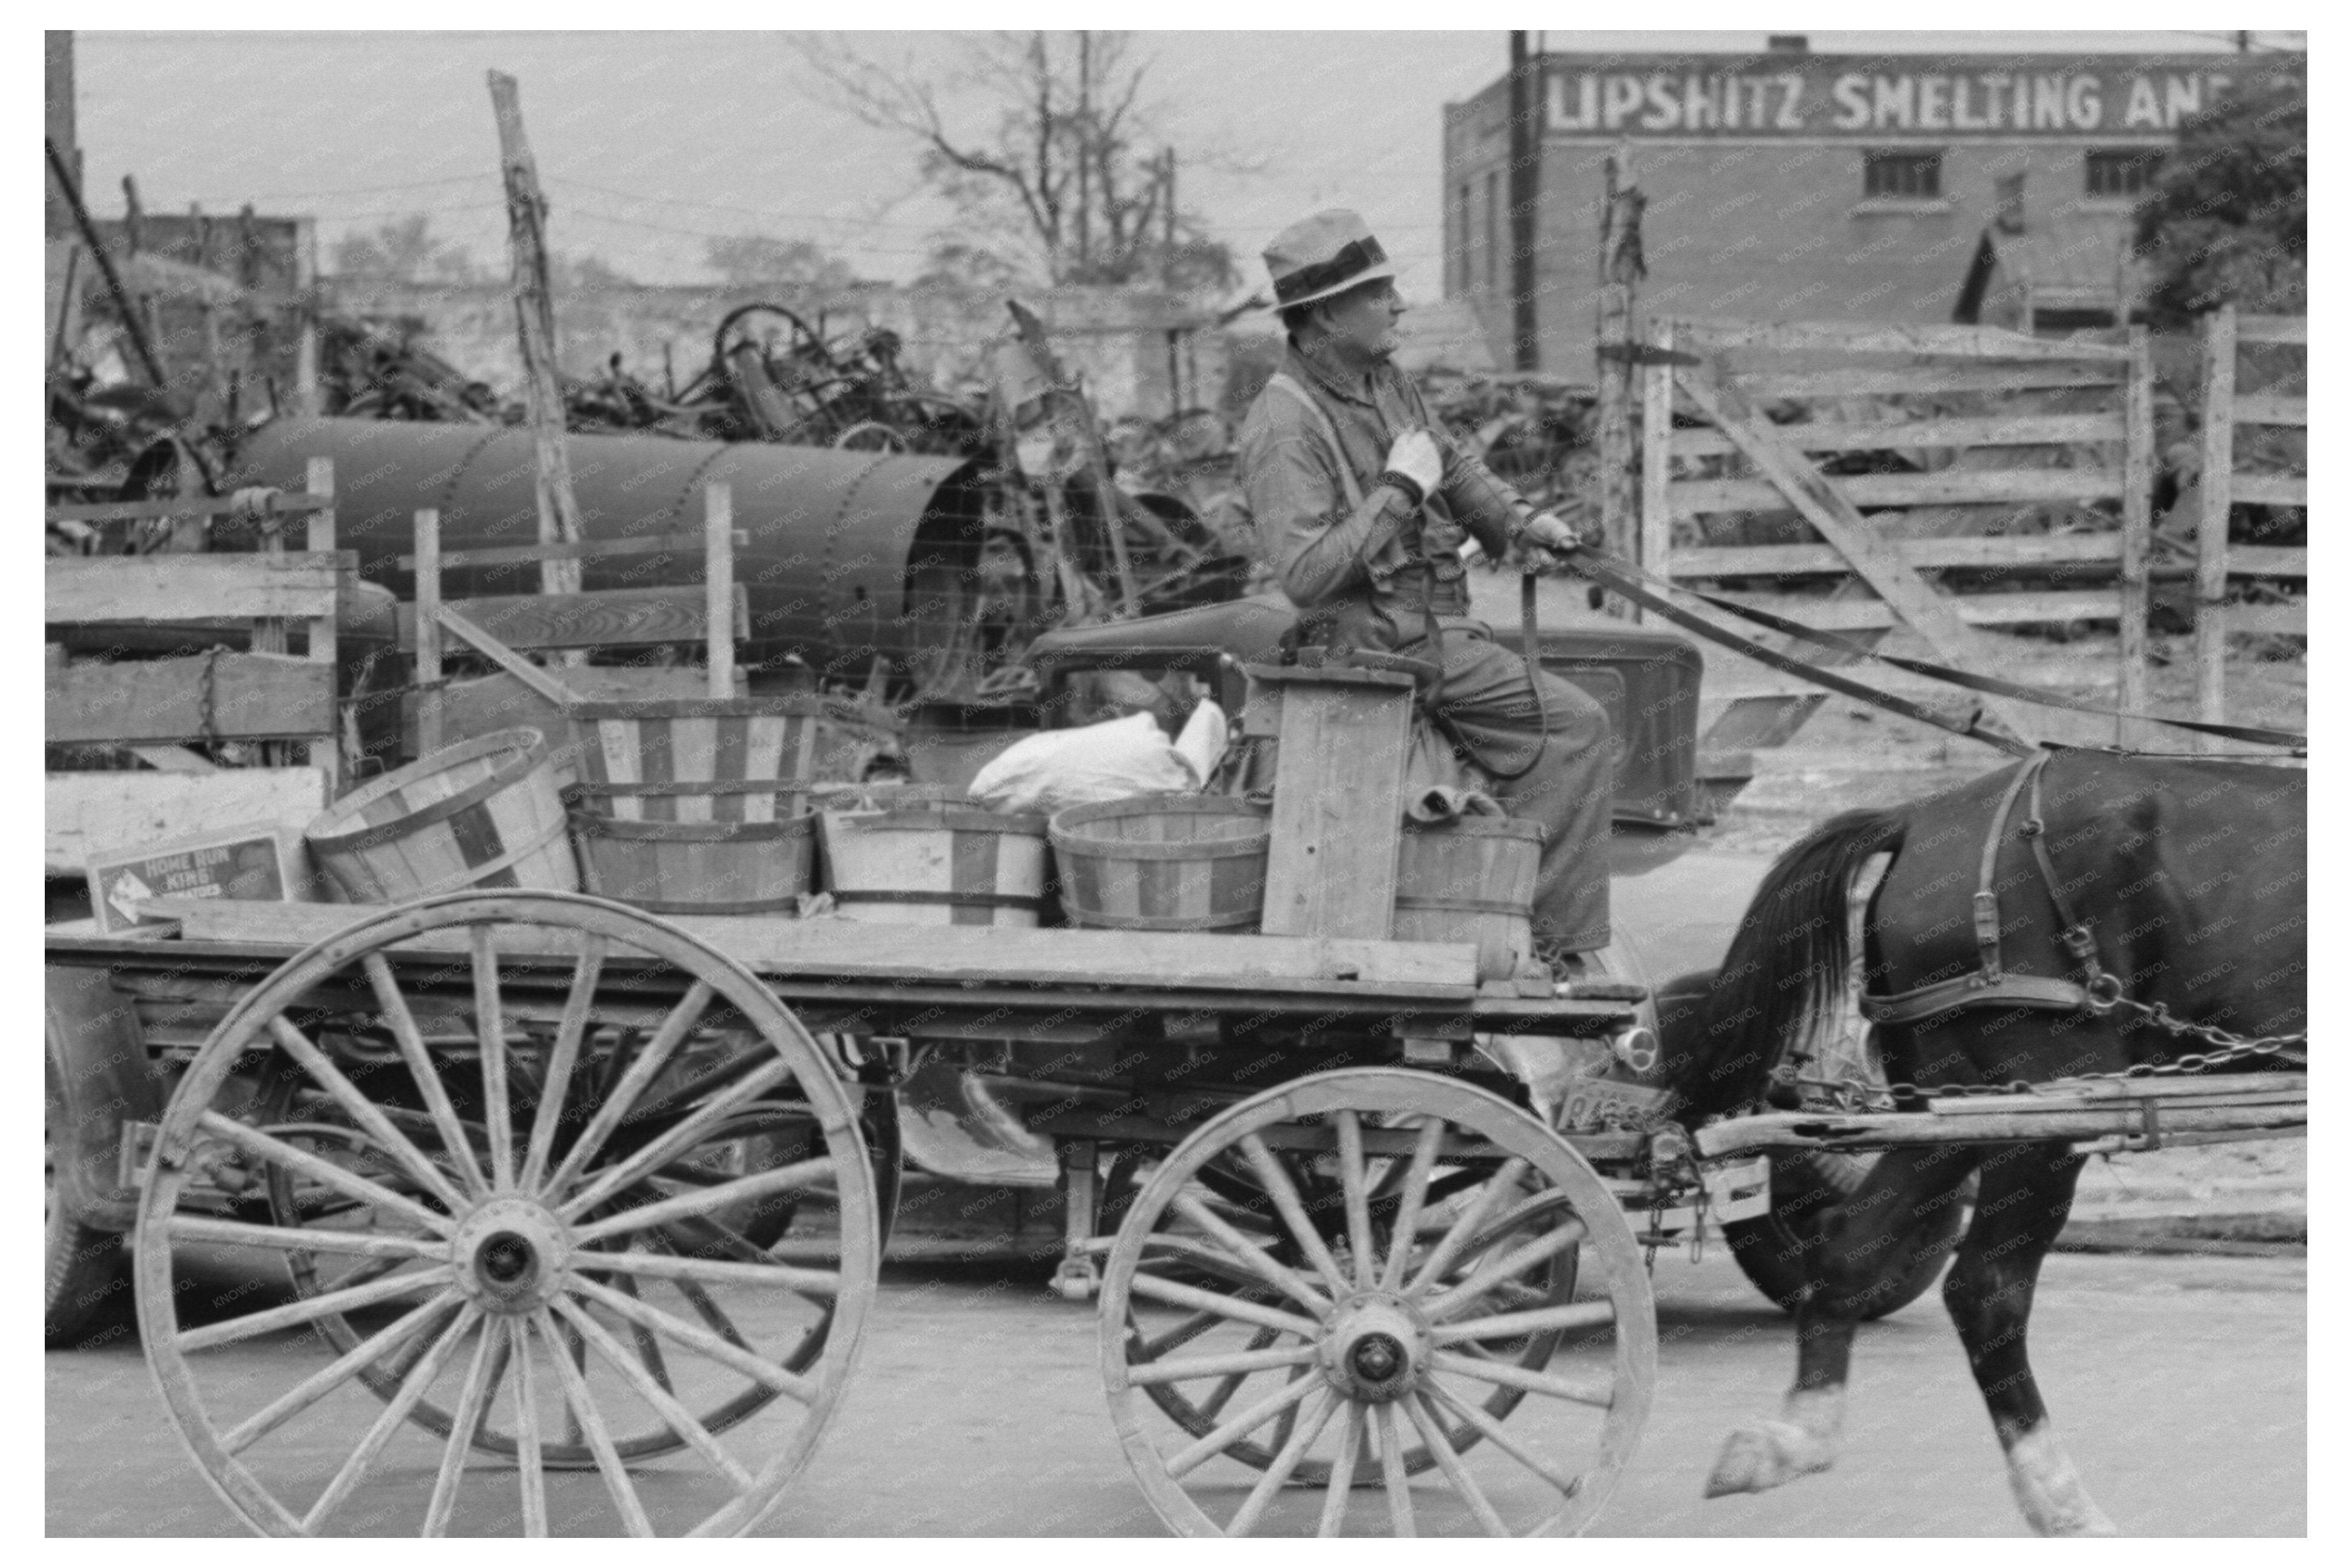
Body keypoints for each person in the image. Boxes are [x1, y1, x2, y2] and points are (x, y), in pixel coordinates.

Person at [1236, 209, 1613, 965]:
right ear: (1324, 315)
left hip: (1430, 635)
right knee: (1575, 728)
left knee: (1568, 724)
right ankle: (1535, 947)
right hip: (1365, 651)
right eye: (1379, 293)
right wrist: (1399, 491)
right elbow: (1306, 575)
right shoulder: (1282, 425)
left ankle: (1511, 926)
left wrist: (1521, 522)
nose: (1399, 305)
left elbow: (1451, 461)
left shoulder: (1383, 381)